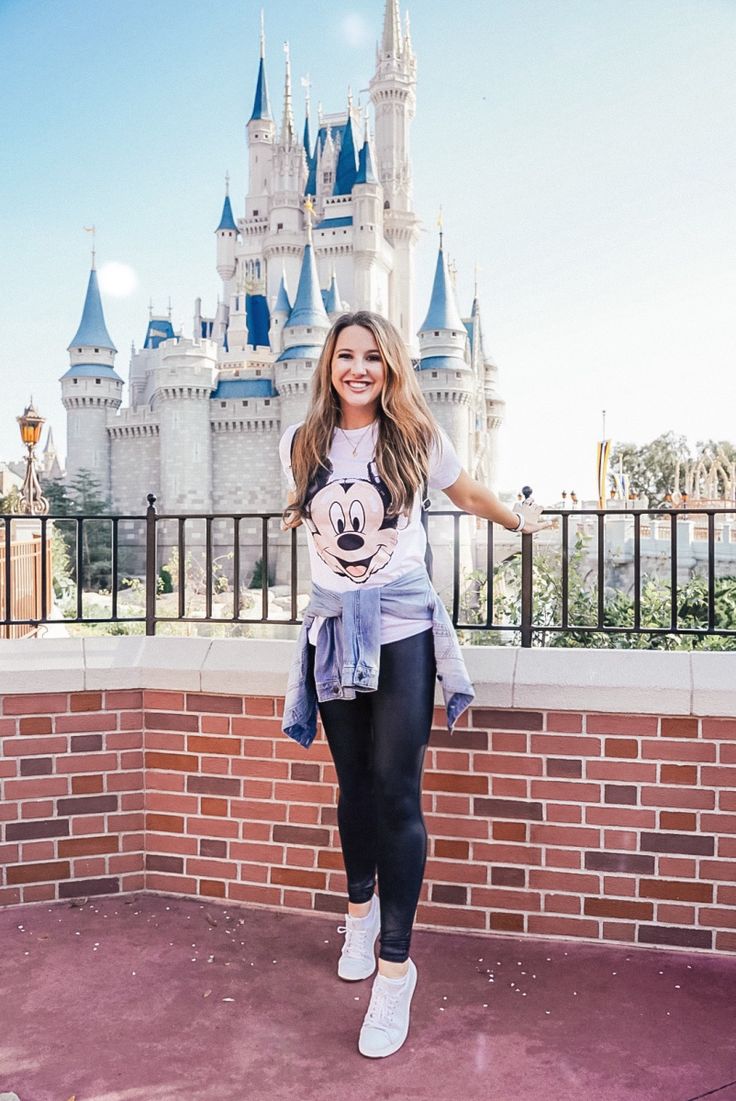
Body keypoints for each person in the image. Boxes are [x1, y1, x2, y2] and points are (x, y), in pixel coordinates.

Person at [279, 310, 548, 1059]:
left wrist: (517, 517)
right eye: (345, 355)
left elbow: (465, 495)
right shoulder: (300, 444)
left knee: (397, 790)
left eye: (371, 356)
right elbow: (312, 523)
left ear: (391, 366)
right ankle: (359, 909)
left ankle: (395, 969)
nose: (357, 368)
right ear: (328, 365)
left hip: (401, 630)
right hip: (333, 629)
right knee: (354, 784)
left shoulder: (416, 438)